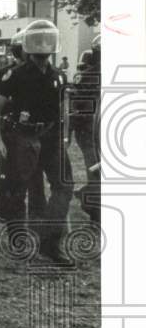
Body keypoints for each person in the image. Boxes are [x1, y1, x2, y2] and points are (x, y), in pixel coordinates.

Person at [0, 19, 74, 263]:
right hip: (23, 137)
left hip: (52, 137)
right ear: (28, 44)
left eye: (47, 40)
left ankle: (49, 242)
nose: (43, 45)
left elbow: (61, 109)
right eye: (37, 40)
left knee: (64, 185)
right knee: (18, 191)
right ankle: (18, 245)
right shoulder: (15, 75)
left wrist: (65, 135)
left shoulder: (58, 76)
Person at [0, 31, 46, 222]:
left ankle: (35, 212)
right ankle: (3, 209)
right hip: (10, 127)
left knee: (34, 173)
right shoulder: (7, 72)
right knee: (8, 171)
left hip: (34, 128)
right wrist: (12, 102)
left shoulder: (41, 72)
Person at [70, 34, 101, 224]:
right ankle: (95, 214)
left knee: (97, 172)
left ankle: (92, 206)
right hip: (91, 131)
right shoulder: (89, 76)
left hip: (92, 131)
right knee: (97, 172)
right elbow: (77, 104)